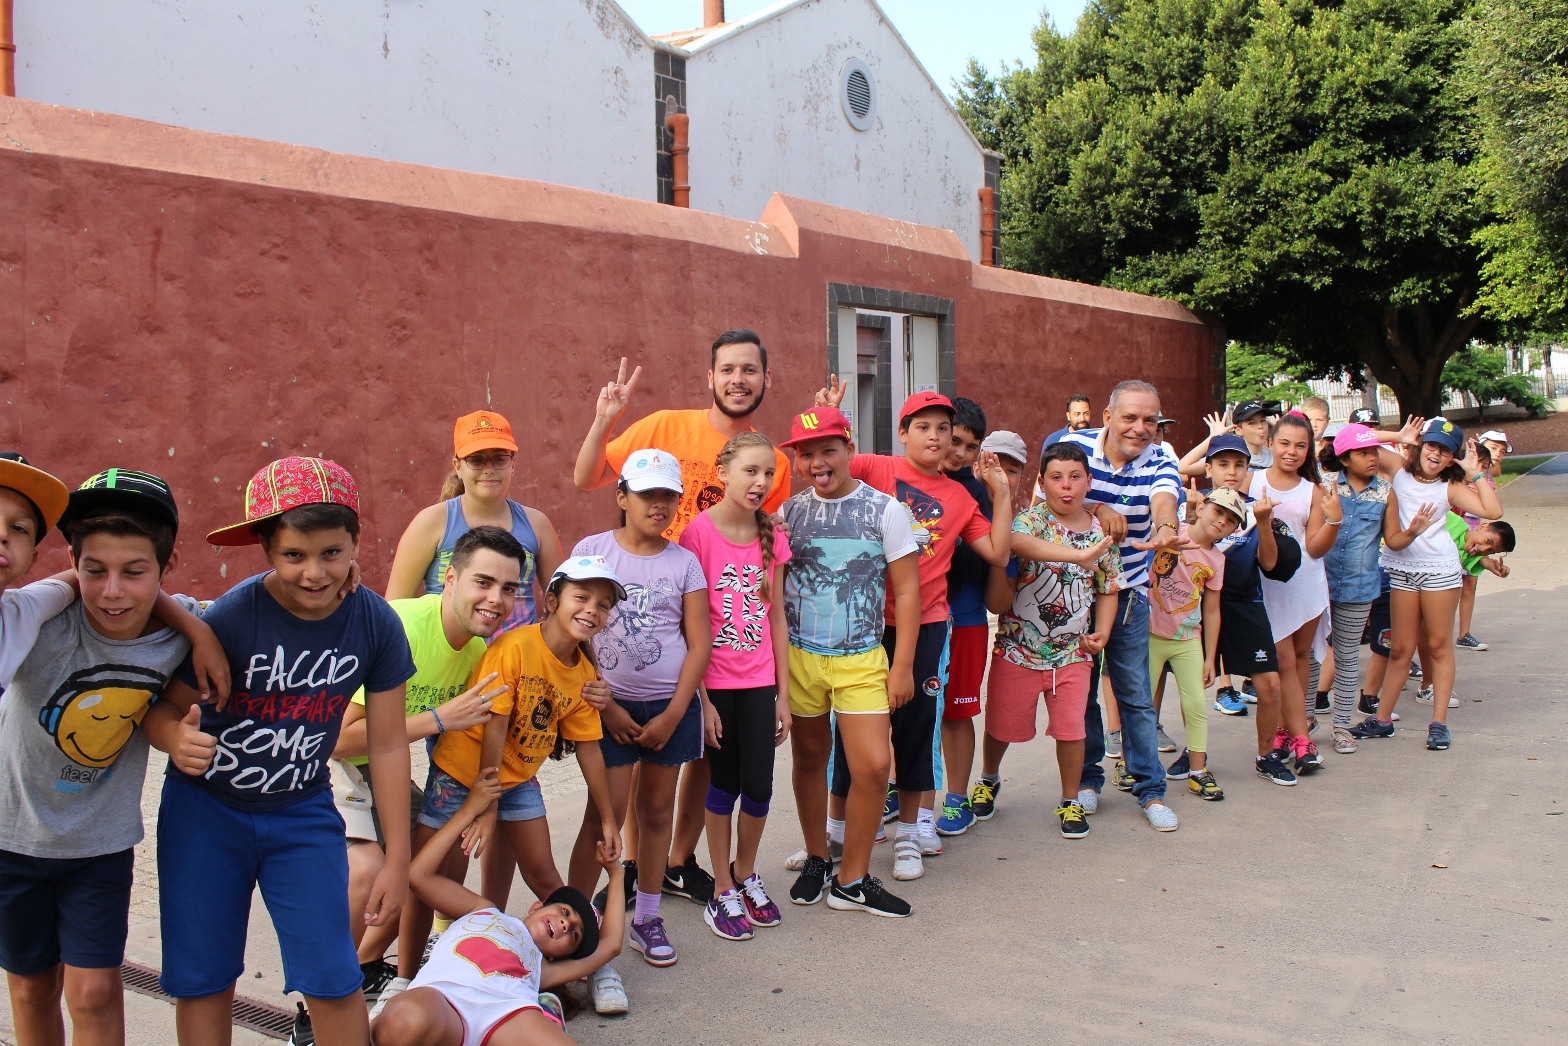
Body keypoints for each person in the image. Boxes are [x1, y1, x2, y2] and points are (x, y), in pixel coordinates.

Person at [148, 457, 418, 1046]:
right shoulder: (231, 618)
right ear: (267, 549)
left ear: (355, 545)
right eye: (294, 555)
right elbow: (162, 710)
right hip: (205, 814)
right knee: (203, 978)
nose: (314, 572)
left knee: (334, 975)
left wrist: (397, 858)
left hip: (302, 813)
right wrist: (172, 738)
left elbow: (388, 743)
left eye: (331, 552)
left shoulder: (375, 625)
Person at [0, 469, 226, 1046]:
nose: (113, 591)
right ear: (72, 564)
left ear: (168, 567)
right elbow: (41, 591)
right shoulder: (35, 623)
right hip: (11, 838)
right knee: (30, 989)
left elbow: (271, 605)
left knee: (96, 991)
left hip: (98, 845)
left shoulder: (181, 631)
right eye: (94, 570)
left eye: (135, 571)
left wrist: (343, 583)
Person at [573, 332, 793, 913]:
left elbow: (761, 548)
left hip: (704, 621)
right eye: (728, 369)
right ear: (710, 376)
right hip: (646, 612)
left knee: (700, 757)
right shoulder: (664, 426)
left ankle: (677, 861)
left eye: (750, 369)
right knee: (642, 764)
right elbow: (586, 476)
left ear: (766, 379)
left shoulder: (772, 463)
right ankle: (625, 869)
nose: (738, 379)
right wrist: (605, 418)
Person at [814, 388, 1014, 879]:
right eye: (923, 427)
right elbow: (825, 464)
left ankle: (909, 832)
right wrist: (829, 414)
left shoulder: (960, 497)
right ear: (902, 433)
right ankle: (835, 833)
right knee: (851, 729)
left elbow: (997, 552)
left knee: (917, 727)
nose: (935, 436)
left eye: (943, 428)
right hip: (863, 620)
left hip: (925, 625)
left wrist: (1002, 494)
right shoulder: (877, 467)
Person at [384, 409, 564, 935]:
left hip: (509, 686)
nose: (489, 468)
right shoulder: (433, 522)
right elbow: (395, 608)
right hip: (447, 680)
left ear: (514, 462)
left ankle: (483, 920)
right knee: (453, 805)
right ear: (458, 463)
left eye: (499, 458)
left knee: (501, 803)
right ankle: (445, 927)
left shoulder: (535, 524)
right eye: (477, 458)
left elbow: (558, 604)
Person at [338, 527, 524, 1005]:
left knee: (427, 863)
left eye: (508, 588)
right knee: (369, 871)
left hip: (383, 768)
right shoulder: (401, 627)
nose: (496, 599)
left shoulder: (478, 652)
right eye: (483, 582)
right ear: (450, 578)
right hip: (324, 763)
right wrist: (438, 718)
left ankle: (364, 966)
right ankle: (319, 1002)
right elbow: (336, 740)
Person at [774, 405, 920, 918]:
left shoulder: (885, 509)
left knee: (874, 766)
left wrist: (902, 666)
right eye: (806, 454)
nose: (817, 462)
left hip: (861, 658)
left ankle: (852, 878)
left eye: (828, 450)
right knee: (810, 757)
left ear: (849, 449)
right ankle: (819, 856)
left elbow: (908, 591)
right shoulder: (789, 513)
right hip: (800, 657)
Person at [570, 449, 710, 968]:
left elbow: (699, 643)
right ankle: (577, 912)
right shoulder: (593, 551)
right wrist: (606, 707)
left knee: (655, 812)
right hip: (607, 706)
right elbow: (573, 633)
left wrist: (674, 714)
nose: (659, 505)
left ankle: (647, 917)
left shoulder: (684, 563)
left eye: (668, 496)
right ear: (622, 496)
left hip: (669, 707)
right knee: (601, 815)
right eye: (647, 494)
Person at [371, 768, 625, 1046]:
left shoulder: (544, 969)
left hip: (509, 1010)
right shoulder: (483, 910)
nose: (567, 924)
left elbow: (611, 945)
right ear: (536, 906)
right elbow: (419, 876)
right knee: (403, 1022)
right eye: (565, 912)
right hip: (444, 996)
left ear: (559, 957)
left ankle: (544, 1009)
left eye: (574, 935)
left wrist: (617, 875)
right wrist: (468, 811)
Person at [1054, 381, 1185, 833]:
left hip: (1127, 593)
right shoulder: (1074, 447)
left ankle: (1151, 790)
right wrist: (1095, 505)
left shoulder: (1162, 459)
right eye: (1130, 417)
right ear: (1108, 417)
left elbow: (1164, 499)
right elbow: (1048, 497)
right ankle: (1087, 780)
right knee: (1081, 694)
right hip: (1074, 592)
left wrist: (1165, 528)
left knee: (1135, 696)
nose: (1140, 428)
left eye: (1150, 419)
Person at [677, 432, 793, 940]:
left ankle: (745, 870)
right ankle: (721, 885)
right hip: (716, 683)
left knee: (760, 785)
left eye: (768, 473)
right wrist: (701, 700)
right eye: (751, 471)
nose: (760, 482)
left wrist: (784, 695)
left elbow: (777, 618)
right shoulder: (698, 535)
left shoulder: (772, 535)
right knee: (723, 782)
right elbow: (690, 625)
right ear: (723, 472)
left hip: (760, 681)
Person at [980, 442, 1121, 836]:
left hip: (1073, 655)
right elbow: (1014, 543)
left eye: (1075, 477)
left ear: (1089, 481)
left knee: (1072, 730)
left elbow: (1109, 588)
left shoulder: (1101, 533)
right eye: (1057, 478)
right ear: (1042, 482)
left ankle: (1070, 801)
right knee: (1000, 726)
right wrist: (1076, 556)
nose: (1066, 486)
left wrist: (1103, 632)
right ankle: (988, 778)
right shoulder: (1030, 521)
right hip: (1017, 649)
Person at [1351, 419, 1502, 750]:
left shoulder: (1450, 486)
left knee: (1438, 646)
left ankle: (1439, 723)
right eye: (1432, 445)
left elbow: (1493, 510)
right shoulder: (1398, 469)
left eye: (1446, 451)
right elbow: (1356, 439)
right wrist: (1398, 436)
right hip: (1403, 569)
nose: (1436, 454)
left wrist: (1474, 472)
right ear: (1421, 445)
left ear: (1452, 458)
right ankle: (1382, 720)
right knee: (1400, 649)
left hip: (1439, 572)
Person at [1197, 436, 1305, 784]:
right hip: (1196, 606)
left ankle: (1265, 755)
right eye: (1223, 464)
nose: (1231, 472)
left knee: (1270, 684)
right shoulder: (1195, 505)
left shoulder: (1260, 510)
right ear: (1208, 468)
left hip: (1245, 604)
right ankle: (1193, 755)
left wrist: (1263, 523)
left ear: (1248, 469)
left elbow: (1271, 565)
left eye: (1239, 465)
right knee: (1191, 686)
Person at [1249, 412, 1335, 775]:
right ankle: (1303, 739)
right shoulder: (1251, 481)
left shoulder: (1314, 490)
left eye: (1301, 445)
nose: (1291, 451)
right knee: (1283, 661)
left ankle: (1287, 731)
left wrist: (1334, 520)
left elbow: (1314, 548)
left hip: (1305, 584)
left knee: (1300, 659)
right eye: (1284, 443)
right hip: (1266, 585)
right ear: (1270, 443)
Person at [934, 397, 993, 835]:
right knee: (907, 709)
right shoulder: (905, 479)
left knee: (957, 711)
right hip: (912, 617)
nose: (958, 452)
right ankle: (898, 787)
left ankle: (957, 799)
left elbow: (986, 558)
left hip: (965, 615)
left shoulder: (977, 493)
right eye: (954, 440)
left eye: (970, 446)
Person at [1317, 424, 1392, 754]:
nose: (1372, 457)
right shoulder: (1325, 485)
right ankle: (1303, 721)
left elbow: (1394, 538)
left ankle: (1341, 726)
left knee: (1347, 657)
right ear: (1345, 458)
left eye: (1374, 451)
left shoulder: (1386, 492)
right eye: (1363, 453)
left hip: (1359, 588)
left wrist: (1415, 530)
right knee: (1311, 656)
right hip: (1319, 584)